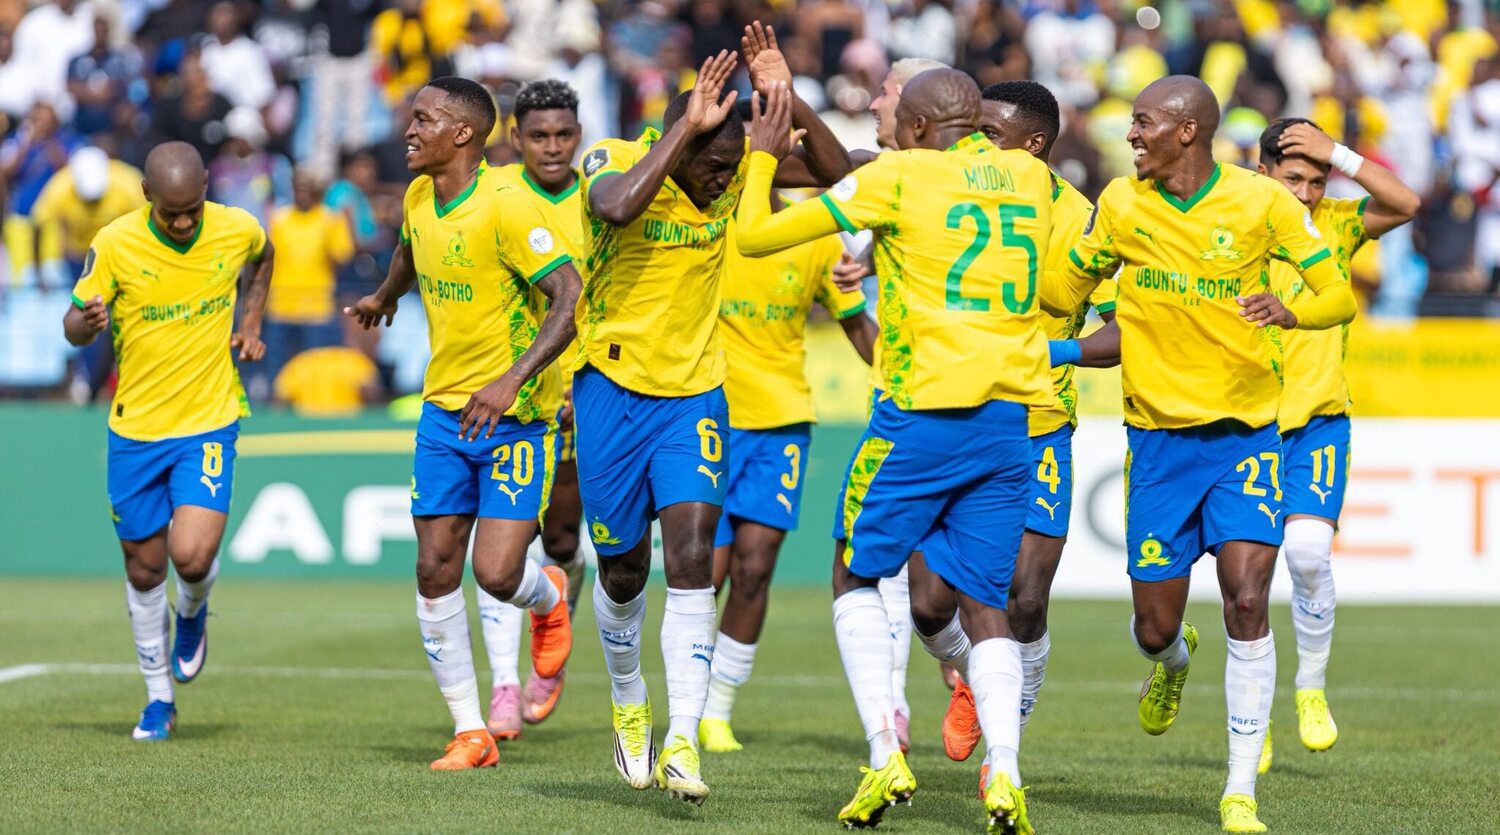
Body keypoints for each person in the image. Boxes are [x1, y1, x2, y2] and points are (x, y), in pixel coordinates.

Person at [737, 70, 1055, 832]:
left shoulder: (899, 175)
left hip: (920, 417)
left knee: (853, 567)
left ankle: (885, 750)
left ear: (913, 128)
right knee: (986, 604)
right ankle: (1005, 772)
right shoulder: (1029, 177)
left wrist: (760, 157)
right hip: (1009, 422)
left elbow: (755, 234)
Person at [1051, 76, 1358, 834]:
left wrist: (1292, 309)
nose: (1131, 136)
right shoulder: (1122, 206)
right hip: (1156, 445)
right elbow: (1068, 283)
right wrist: (1040, 329)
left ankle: (1238, 790)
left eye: (1142, 123)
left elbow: (1338, 298)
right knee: (1154, 627)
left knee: (1248, 600)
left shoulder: (1264, 204)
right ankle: (1172, 661)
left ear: (1186, 130)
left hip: (1245, 438)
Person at [574, 23, 850, 804]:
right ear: (681, 138)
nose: (725, 181)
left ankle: (685, 738)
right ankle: (630, 702)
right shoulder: (618, 157)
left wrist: (786, 102)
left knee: (693, 554)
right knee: (624, 568)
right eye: (715, 165)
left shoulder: (735, 175)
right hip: (607, 389)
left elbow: (846, 178)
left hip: (695, 394)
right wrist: (685, 135)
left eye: (735, 167)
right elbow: (618, 208)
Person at [344, 76, 581, 772]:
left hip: (515, 420)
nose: (408, 129)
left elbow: (570, 296)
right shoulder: (420, 194)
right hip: (442, 412)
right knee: (433, 566)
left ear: (463, 136)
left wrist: (513, 379)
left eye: (423, 119)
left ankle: (551, 593)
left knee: (498, 573)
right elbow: (413, 249)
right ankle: (471, 730)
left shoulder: (509, 205)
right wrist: (388, 295)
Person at [917, 80, 1119, 787]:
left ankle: (1006, 742)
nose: (976, 145)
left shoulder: (1081, 221)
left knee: (1024, 597)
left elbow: (1119, 333)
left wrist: (1050, 353)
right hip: (949, 418)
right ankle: (974, 664)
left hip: (1038, 427)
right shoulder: (949, 190)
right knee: (928, 606)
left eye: (992, 134)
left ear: (1035, 146)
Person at [61, 141, 274, 742]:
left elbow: (265, 258)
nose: (183, 223)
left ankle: (194, 609)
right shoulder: (115, 243)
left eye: (193, 209)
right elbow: (72, 323)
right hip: (134, 429)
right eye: (170, 212)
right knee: (145, 567)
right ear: (147, 197)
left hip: (207, 420)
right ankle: (158, 699)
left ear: (207, 185)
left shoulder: (237, 228)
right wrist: (87, 324)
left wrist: (251, 320)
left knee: (193, 556)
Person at [1255, 117, 1418, 768]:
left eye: (1317, 180)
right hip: (1247, 421)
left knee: (1308, 552)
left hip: (1320, 418)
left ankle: (1310, 688)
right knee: (1249, 578)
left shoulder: (1339, 226)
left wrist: (1341, 154)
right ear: (1263, 172)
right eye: (1294, 177)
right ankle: (1253, 713)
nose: (1307, 192)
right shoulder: (1235, 225)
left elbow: (1406, 203)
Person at [700, 169, 877, 753]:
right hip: (705, 418)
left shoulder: (813, 236)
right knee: (707, 574)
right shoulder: (703, 224)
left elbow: (856, 323)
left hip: (781, 422)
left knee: (754, 569)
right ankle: (688, 698)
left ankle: (717, 711)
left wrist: (908, 376)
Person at [468, 79, 591, 743]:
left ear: (579, 135)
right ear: (514, 136)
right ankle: (505, 687)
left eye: (563, 135)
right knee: (497, 545)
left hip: (581, 393)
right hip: (502, 396)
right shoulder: (493, 196)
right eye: (538, 135)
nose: (551, 147)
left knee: (562, 539)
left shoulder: (597, 200)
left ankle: (557, 605)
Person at [860, 53, 950, 748]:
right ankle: (892, 709)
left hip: (984, 408)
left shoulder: (974, 187)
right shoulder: (879, 173)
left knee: (950, 593)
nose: (872, 103)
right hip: (898, 400)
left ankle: (973, 666)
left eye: (885, 93)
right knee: (880, 563)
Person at [259, 170, 355, 396]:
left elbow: (343, 256)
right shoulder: (279, 218)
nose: (301, 192)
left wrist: (341, 222)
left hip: (316, 308)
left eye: (306, 186)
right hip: (281, 307)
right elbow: (264, 259)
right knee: (278, 372)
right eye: (297, 187)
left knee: (315, 368)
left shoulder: (329, 218)